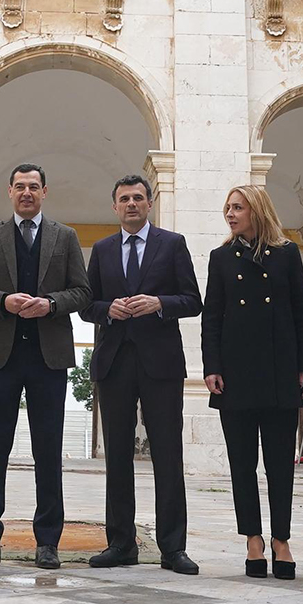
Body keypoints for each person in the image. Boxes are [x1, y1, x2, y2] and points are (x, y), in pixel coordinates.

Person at [0, 163, 91, 570]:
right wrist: (4, 301)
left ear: (45, 192)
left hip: (48, 358)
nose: (27, 193)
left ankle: (48, 541)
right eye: (20, 187)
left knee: (48, 451)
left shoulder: (65, 237)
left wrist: (51, 304)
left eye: (34, 187)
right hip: (0, 356)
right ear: (10, 191)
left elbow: (83, 292)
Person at [79, 175, 202, 575]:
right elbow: (86, 304)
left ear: (149, 203)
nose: (131, 204)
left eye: (138, 198)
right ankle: (120, 543)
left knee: (167, 453)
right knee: (117, 456)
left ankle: (173, 547)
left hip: (161, 363)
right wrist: (106, 310)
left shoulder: (173, 244)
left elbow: (192, 300)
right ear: (114, 206)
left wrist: (159, 303)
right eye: (123, 199)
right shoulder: (102, 249)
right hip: (114, 362)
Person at [200, 185, 303, 581]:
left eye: (237, 207)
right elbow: (211, 316)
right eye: (227, 207)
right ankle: (253, 538)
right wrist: (211, 366)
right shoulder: (220, 258)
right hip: (235, 375)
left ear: (257, 210)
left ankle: (281, 539)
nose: (230, 214)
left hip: (282, 372)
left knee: (281, 463)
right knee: (242, 464)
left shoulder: (286, 255)